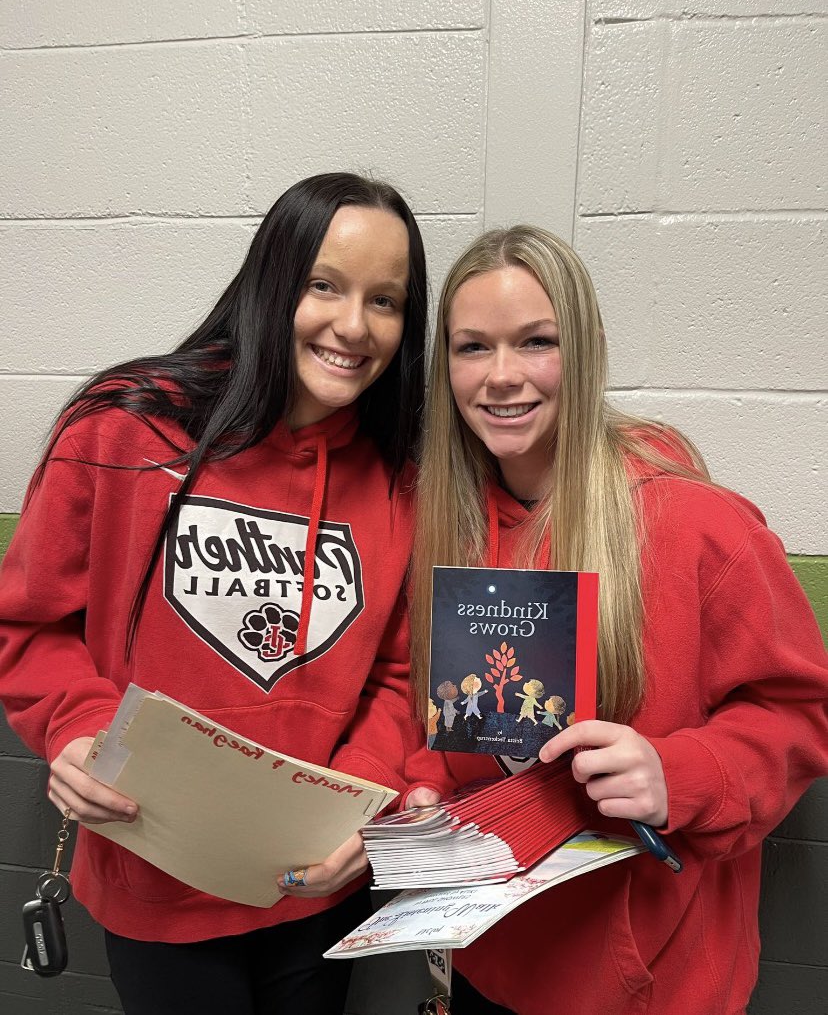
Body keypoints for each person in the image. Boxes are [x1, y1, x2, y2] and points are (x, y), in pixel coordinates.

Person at [0, 172, 435, 1015]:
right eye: (325, 285)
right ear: (271, 282)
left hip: (316, 884)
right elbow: (30, 625)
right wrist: (76, 729)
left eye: (385, 301)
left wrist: (360, 805)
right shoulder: (121, 425)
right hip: (152, 878)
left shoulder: (401, 482)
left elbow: (398, 675)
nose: (354, 325)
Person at [406, 225, 828, 1015]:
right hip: (489, 957)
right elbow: (432, 717)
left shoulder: (701, 525)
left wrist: (679, 774)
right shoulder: (445, 529)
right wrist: (426, 788)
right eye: (472, 348)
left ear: (589, 349)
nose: (502, 377)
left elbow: (800, 715)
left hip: (649, 982)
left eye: (536, 342)